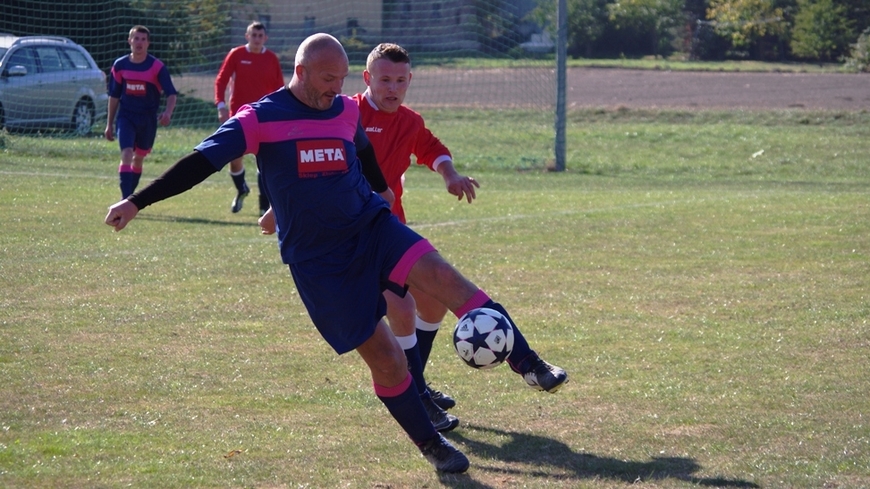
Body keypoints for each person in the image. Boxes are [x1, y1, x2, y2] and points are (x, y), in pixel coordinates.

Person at [104, 33, 567, 473]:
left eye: (343, 79)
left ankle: (525, 362)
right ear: (301, 71)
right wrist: (136, 201)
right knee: (387, 358)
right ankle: (431, 443)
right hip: (320, 262)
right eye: (328, 79)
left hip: (372, 228)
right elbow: (199, 163)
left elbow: (361, 148)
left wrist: (383, 191)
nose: (337, 89)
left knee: (447, 280)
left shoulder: (344, 110)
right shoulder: (258, 118)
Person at [351, 43, 482, 416]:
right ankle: (418, 395)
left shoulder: (409, 120)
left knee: (433, 299)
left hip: (392, 227)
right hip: (354, 233)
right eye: (384, 80)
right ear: (367, 79)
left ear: (409, 80)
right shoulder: (348, 114)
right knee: (403, 306)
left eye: (400, 80)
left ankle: (417, 382)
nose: (392, 88)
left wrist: (450, 174)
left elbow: (430, 147)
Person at [214, 21, 285, 215]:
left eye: (260, 36)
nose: (256, 39)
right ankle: (241, 189)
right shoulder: (236, 54)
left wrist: (280, 111)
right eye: (253, 35)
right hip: (239, 115)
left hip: (264, 116)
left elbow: (279, 88)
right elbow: (221, 80)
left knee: (265, 160)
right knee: (235, 159)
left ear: (265, 38)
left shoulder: (271, 59)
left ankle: (264, 206)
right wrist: (221, 105)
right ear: (247, 36)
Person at [104, 25, 178, 199]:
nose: (139, 42)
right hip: (126, 117)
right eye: (136, 38)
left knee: (138, 158)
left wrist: (167, 113)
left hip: (147, 120)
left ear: (148, 43)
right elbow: (114, 96)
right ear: (129, 41)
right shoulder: (120, 65)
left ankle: (129, 199)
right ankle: (126, 199)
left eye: (143, 39)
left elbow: (171, 94)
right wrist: (109, 124)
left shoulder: (157, 67)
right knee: (127, 154)